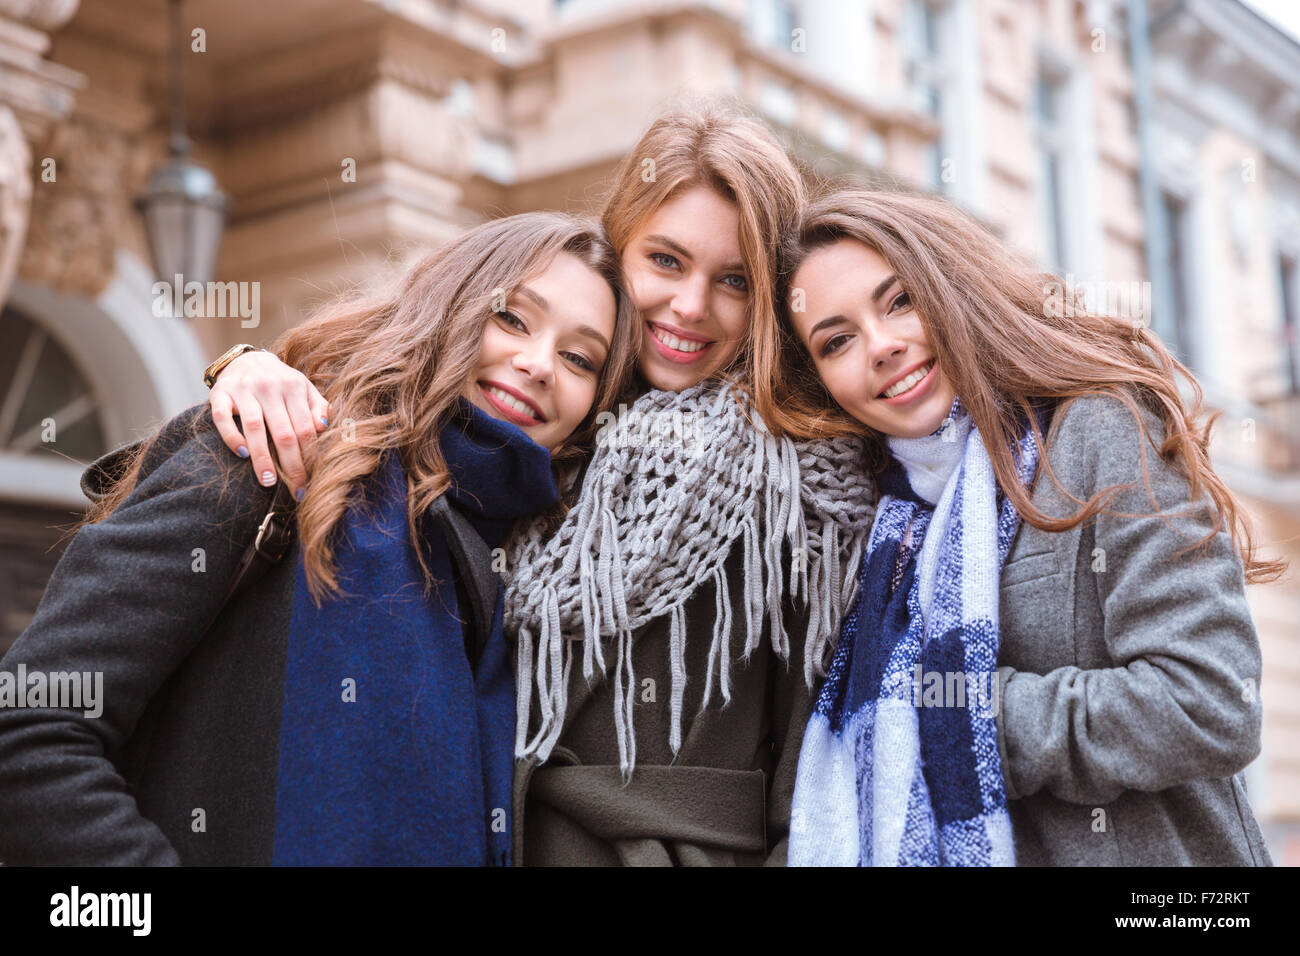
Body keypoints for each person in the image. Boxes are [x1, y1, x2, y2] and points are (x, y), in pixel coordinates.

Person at [195, 100, 877, 865]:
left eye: (734, 280)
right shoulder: (538, 429)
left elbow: (818, 769)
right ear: (619, 250)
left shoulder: (801, 487)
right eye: (665, 261)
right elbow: (398, 371)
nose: (690, 305)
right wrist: (250, 365)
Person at [0, 211, 638, 865]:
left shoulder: (548, 584)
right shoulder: (267, 458)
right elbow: (28, 729)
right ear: (450, 309)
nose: (537, 364)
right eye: (512, 318)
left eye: (578, 357)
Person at [771, 186, 1278, 866]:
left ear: (951, 288)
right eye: (838, 341)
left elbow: (1210, 702)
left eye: (900, 301)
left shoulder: (1097, 431)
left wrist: (969, 718)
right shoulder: (870, 526)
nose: (882, 346)